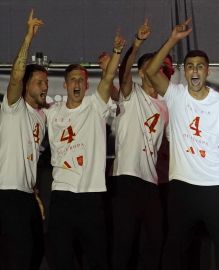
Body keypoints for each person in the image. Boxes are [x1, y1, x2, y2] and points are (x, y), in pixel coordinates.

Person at [144, 19, 219, 270]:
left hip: (216, 184)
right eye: (190, 66)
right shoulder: (175, 94)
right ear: (185, 71)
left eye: (199, 67)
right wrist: (172, 40)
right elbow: (150, 72)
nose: (194, 71)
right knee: (174, 250)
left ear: (207, 71)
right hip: (183, 185)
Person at [44, 31, 125, 270]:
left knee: (97, 259)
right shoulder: (52, 111)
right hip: (61, 196)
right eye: (73, 80)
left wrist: (117, 53)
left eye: (81, 80)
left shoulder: (94, 105)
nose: (77, 84)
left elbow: (108, 78)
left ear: (87, 84)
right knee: (61, 259)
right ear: (66, 84)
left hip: (92, 196)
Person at [110, 19, 171, 270]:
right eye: (151, 67)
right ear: (143, 72)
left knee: (154, 242)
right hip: (126, 177)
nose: (158, 71)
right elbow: (123, 72)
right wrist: (137, 43)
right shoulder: (131, 93)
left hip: (151, 182)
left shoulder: (167, 105)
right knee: (124, 243)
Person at [0, 9, 46, 270]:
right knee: (18, 255)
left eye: (46, 82)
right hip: (7, 192)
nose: (44, 86)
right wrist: (28, 36)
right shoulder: (13, 106)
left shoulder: (41, 118)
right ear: (27, 85)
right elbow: (16, 74)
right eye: (39, 82)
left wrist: (36, 194)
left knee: (36, 251)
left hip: (27, 195)